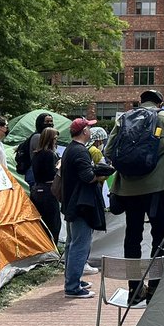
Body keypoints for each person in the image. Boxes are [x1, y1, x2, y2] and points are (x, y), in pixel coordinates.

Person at [107, 89, 164, 303]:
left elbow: (110, 150)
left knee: (132, 237)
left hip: (129, 188)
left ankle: (134, 289)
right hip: (157, 186)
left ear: (140, 102)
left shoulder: (124, 118)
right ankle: (155, 287)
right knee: (160, 236)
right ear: (161, 102)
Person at [60, 118, 109, 297]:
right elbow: (88, 177)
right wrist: (101, 172)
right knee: (80, 245)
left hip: (71, 203)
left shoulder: (69, 149)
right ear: (84, 132)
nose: (90, 129)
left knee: (72, 244)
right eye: (89, 127)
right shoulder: (80, 151)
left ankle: (73, 279)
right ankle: (73, 287)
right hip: (81, 205)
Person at [30, 126, 62, 243]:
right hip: (48, 191)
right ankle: (52, 248)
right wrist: (59, 165)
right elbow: (51, 173)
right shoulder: (50, 154)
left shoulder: (36, 154)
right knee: (53, 223)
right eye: (55, 139)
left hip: (37, 190)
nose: (56, 141)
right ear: (51, 139)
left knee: (41, 224)